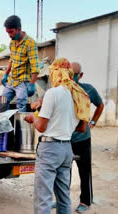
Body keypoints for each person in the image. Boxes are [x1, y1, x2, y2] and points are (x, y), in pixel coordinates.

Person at [24, 58, 90, 214]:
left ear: (57, 73)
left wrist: (33, 117)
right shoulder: (79, 95)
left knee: (43, 199)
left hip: (50, 149)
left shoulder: (53, 93)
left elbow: (41, 126)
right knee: (63, 197)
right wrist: (64, 126)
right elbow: (82, 128)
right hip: (67, 149)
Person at [70, 62, 104, 213]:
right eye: (68, 74)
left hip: (82, 138)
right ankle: (62, 199)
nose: (70, 78)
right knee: (63, 171)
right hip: (64, 138)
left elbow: (100, 104)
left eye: (74, 75)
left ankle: (85, 201)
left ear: (80, 75)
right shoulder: (62, 89)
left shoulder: (88, 89)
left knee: (84, 170)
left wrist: (93, 122)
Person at [1, 15, 39, 111]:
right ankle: (3, 125)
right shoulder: (12, 43)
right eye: (7, 32)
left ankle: (21, 126)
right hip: (11, 80)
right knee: (2, 102)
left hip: (23, 82)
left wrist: (32, 84)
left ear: (18, 29)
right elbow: (11, 60)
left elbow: (35, 66)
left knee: (20, 106)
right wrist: (5, 74)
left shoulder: (30, 43)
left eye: (11, 32)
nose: (9, 35)